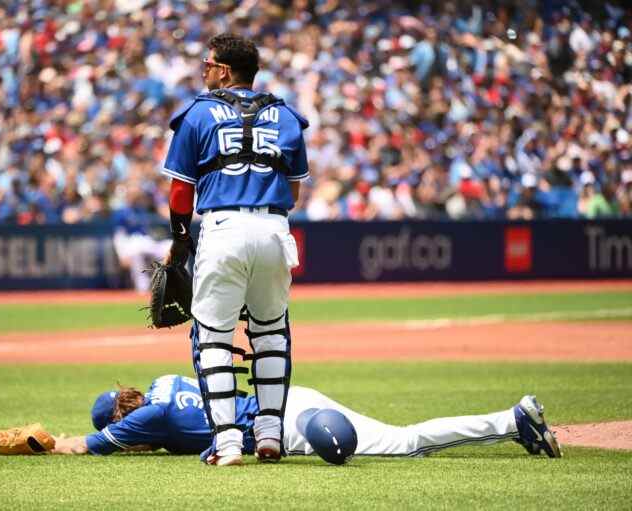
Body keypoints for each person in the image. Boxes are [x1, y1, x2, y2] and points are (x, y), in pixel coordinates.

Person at [159, 33, 309, 465]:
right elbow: (293, 191)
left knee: (212, 338)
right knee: (271, 334)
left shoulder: (198, 114)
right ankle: (268, 434)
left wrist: (180, 240)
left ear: (224, 70)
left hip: (223, 226)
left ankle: (226, 441)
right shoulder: (285, 115)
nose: (202, 71)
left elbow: (179, 192)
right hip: (274, 228)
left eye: (206, 64)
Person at [49, 374, 562, 459]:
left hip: (286, 428)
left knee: (406, 443)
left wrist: (48, 443)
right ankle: (511, 421)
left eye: (116, 425)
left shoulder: (144, 418)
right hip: (288, 397)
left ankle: (512, 421)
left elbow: (86, 446)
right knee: (402, 437)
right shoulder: (166, 382)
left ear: (120, 415)